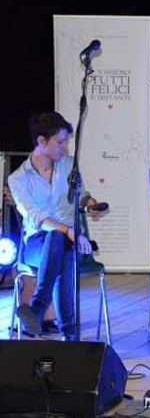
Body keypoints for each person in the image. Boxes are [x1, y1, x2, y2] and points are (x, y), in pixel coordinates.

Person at [8, 111, 110, 341]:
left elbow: (81, 196)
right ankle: (69, 335)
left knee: (62, 247)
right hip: (36, 245)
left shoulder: (68, 166)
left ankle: (37, 309)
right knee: (57, 239)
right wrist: (68, 231)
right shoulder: (17, 179)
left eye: (66, 142)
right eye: (60, 142)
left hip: (70, 242)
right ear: (41, 141)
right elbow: (36, 217)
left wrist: (90, 203)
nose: (65, 148)